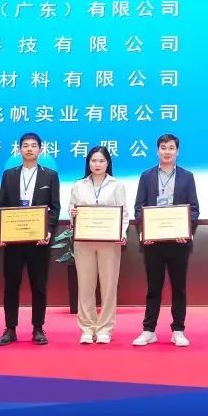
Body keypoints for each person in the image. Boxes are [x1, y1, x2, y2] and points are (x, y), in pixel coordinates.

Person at [132, 134, 199, 347]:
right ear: (157, 150)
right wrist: (145, 231)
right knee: (153, 287)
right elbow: (139, 208)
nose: (167, 151)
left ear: (177, 151)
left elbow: (194, 209)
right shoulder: (147, 176)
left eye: (171, 148)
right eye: (163, 147)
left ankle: (178, 330)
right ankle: (148, 330)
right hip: (154, 243)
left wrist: (186, 230)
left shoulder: (187, 177)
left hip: (178, 242)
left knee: (179, 288)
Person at [0, 132, 60, 347]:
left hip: (38, 241)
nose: (29, 149)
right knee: (11, 285)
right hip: (13, 240)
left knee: (39, 285)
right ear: (19, 149)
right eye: (25, 145)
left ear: (40, 149)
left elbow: (55, 208)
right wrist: (1, 231)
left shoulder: (50, 176)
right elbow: (1, 206)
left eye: (33, 145)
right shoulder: (9, 175)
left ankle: (38, 328)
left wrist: (48, 231)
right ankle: (10, 329)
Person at [68, 146, 128, 345]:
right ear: (88, 163)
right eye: (93, 160)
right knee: (85, 286)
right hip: (84, 242)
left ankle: (105, 329)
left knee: (109, 287)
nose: (97, 164)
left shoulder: (117, 185)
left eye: (101, 160)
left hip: (109, 243)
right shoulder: (79, 185)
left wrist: (121, 233)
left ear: (108, 163)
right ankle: (87, 328)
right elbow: (72, 209)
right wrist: (72, 214)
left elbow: (124, 213)